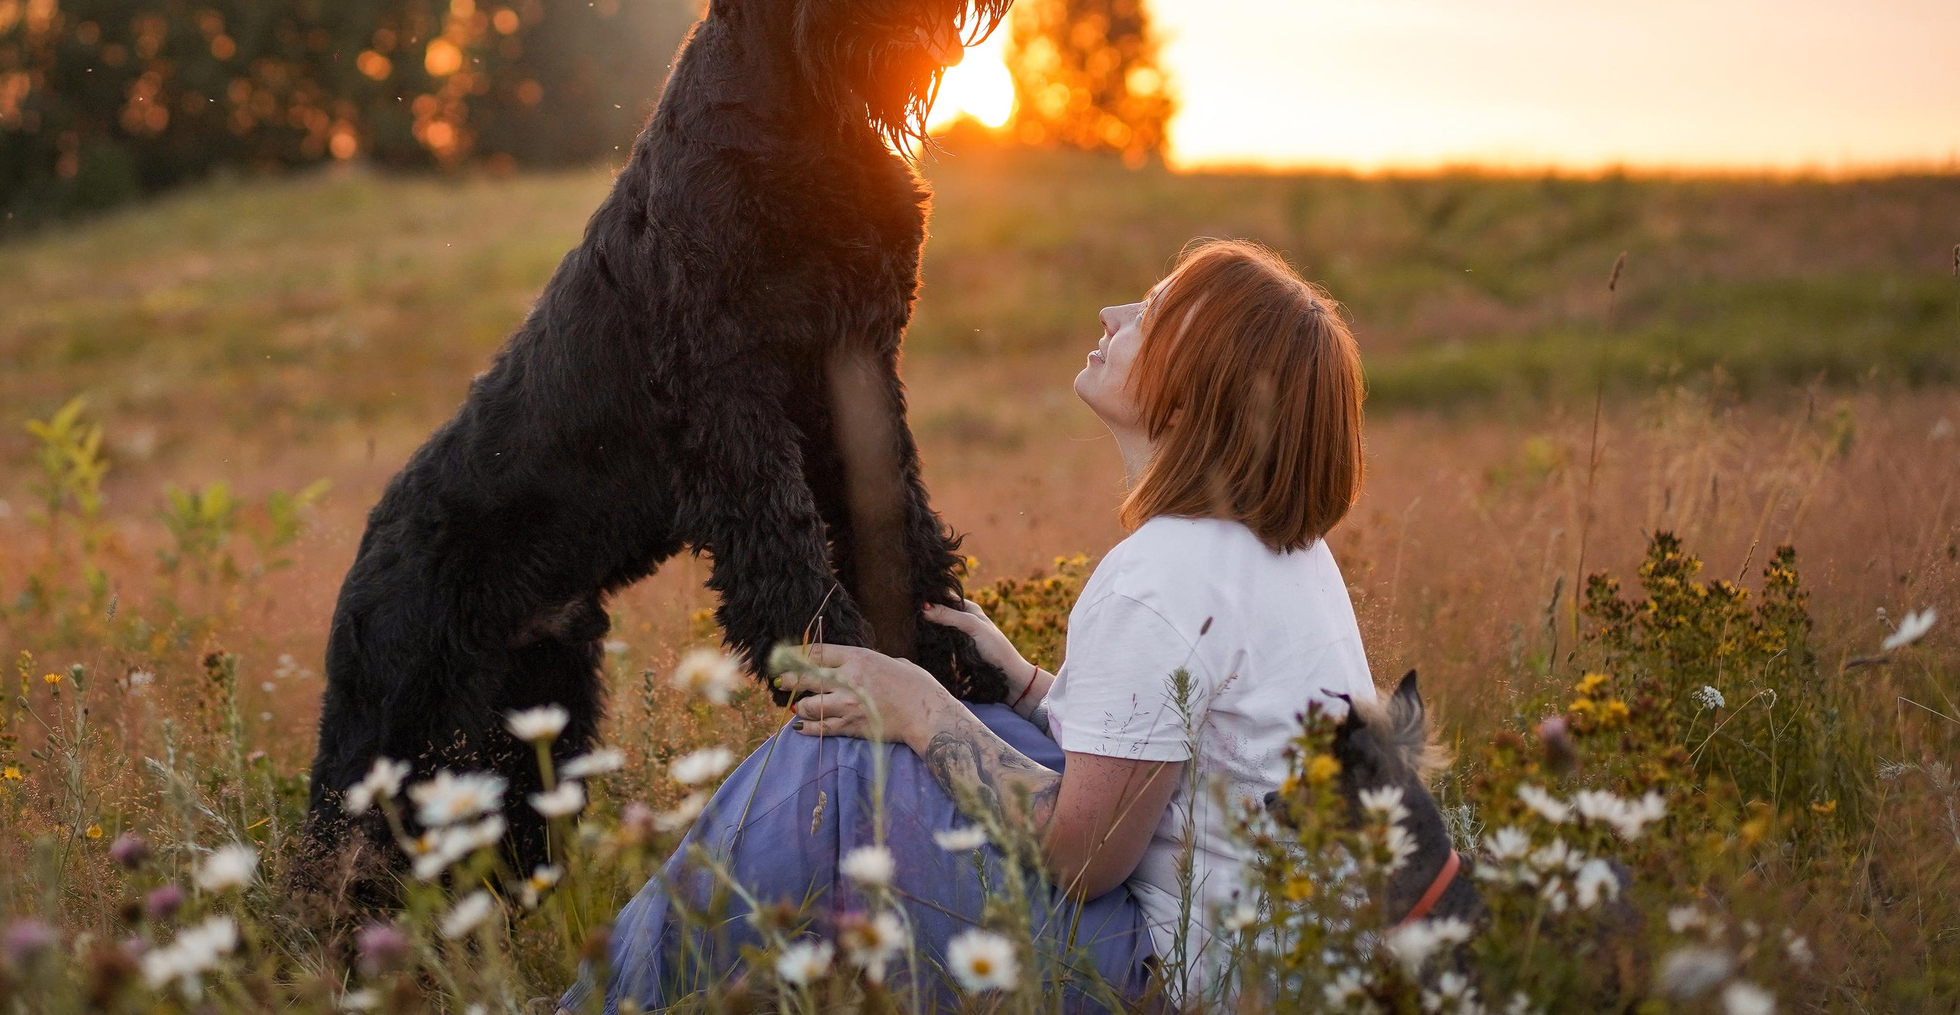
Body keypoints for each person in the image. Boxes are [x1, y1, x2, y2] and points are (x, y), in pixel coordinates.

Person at [586, 238, 1376, 1009]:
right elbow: (1182, 759)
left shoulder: (1160, 575)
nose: (1112, 312)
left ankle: (599, 1002)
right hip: (1289, 968)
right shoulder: (1286, 553)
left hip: (1176, 982)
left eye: (1154, 312)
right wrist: (1030, 686)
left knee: (838, 763)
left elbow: (1084, 857)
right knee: (980, 721)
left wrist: (923, 708)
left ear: (1194, 389)